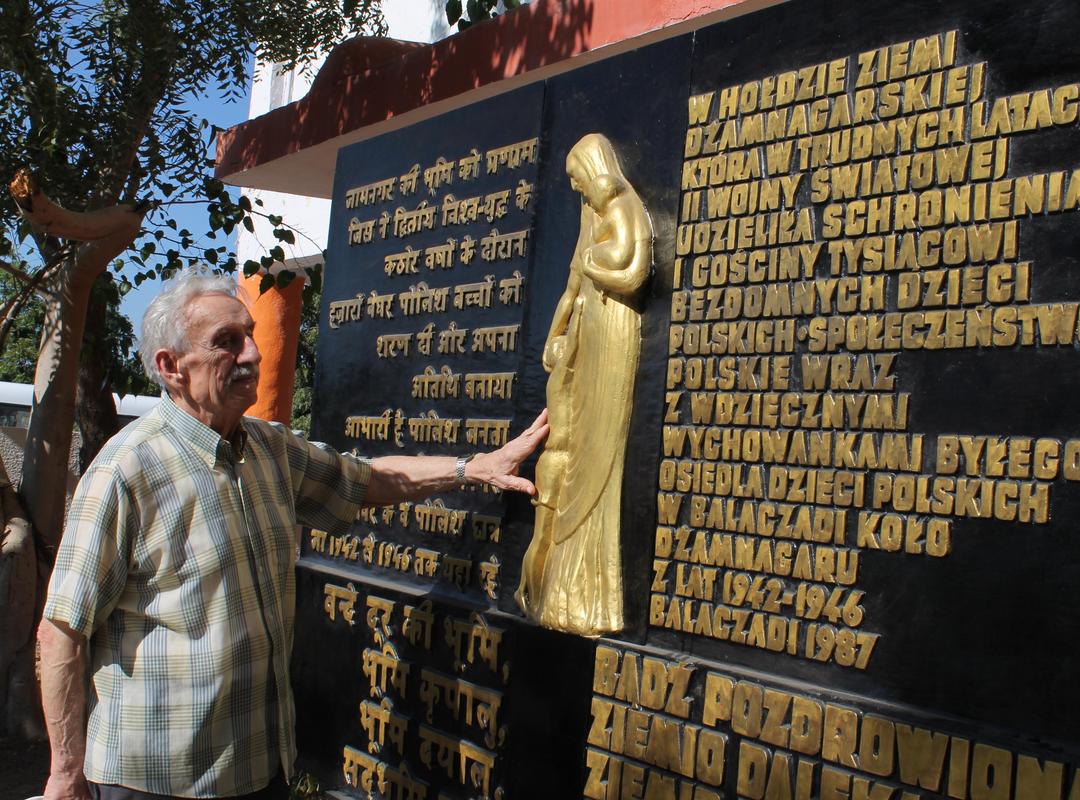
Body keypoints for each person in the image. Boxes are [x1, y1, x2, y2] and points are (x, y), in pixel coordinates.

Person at [38, 272, 549, 800]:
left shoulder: (270, 450)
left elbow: (368, 480)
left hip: (260, 768)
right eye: (227, 342)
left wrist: (474, 467)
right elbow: (62, 632)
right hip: (155, 779)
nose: (253, 354)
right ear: (171, 367)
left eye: (251, 335)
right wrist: (65, 774)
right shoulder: (125, 472)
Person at [515, 134, 651, 634]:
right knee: (570, 450)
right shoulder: (591, 217)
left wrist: (597, 267)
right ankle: (559, 589)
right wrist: (554, 339)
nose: (574, 187)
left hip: (613, 334)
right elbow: (573, 285)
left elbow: (634, 273)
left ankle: (589, 589)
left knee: (596, 452)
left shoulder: (625, 208)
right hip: (587, 335)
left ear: (594, 169)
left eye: (576, 177)